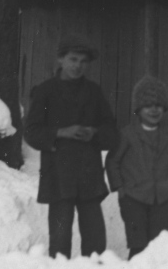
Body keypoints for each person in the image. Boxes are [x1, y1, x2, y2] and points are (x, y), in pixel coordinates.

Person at [23, 36, 119, 258]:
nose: (78, 66)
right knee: (59, 240)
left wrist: (94, 134)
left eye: (83, 61)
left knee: (95, 240)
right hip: (58, 176)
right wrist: (61, 132)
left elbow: (111, 133)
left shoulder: (94, 92)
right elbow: (31, 132)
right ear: (60, 59)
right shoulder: (45, 91)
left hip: (89, 176)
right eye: (73, 59)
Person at [106, 75, 168, 259]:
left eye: (158, 105)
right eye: (148, 105)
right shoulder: (127, 135)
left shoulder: (167, 135)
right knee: (138, 245)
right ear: (138, 109)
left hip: (162, 198)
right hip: (134, 199)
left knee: (157, 245)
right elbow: (112, 161)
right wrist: (120, 188)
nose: (154, 110)